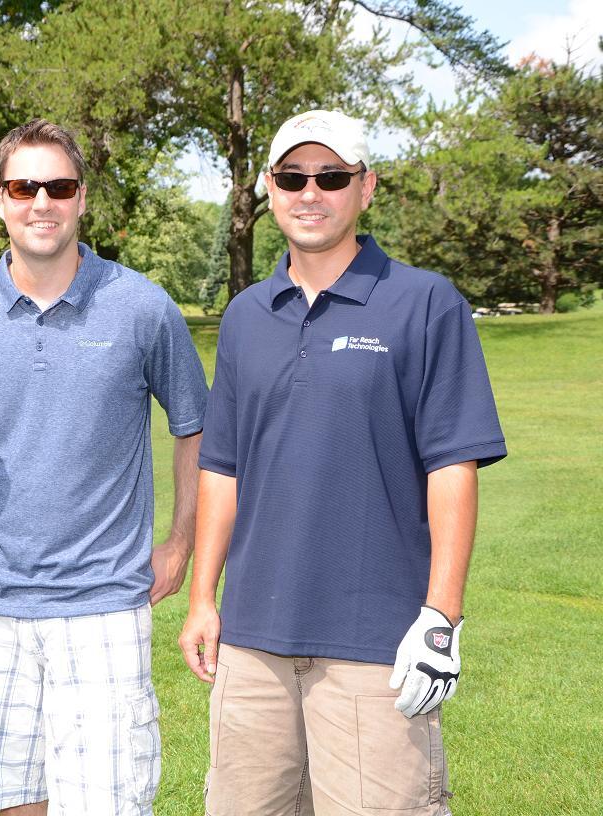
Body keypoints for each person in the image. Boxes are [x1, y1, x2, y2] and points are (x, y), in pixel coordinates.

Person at [179, 109, 508, 815]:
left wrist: (441, 617)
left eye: (332, 176)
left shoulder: (424, 303)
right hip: (252, 644)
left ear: (366, 189)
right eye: (294, 176)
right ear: (269, 189)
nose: (311, 192)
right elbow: (223, 466)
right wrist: (204, 597)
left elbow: (453, 465)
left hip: (375, 645)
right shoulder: (244, 316)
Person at [0, 119, 209, 816]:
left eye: (59, 186)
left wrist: (181, 543)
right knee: (6, 802)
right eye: (24, 186)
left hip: (104, 606)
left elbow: (196, 430)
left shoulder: (144, 307)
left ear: (83, 199)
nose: (41, 202)